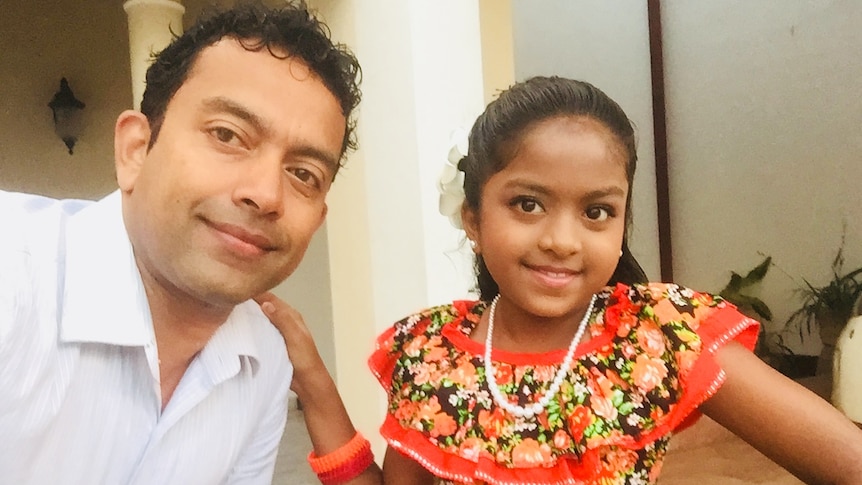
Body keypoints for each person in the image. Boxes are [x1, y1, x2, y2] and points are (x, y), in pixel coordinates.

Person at [260, 75, 862, 484]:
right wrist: (311, 378)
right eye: (527, 204)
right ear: (472, 216)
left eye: (597, 211)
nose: (562, 239)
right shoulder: (431, 357)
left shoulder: (656, 340)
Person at [0, 2, 361, 483]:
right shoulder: (15, 275)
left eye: (303, 174)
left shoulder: (265, 362)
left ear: (317, 220)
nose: (266, 194)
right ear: (135, 150)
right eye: (228, 135)